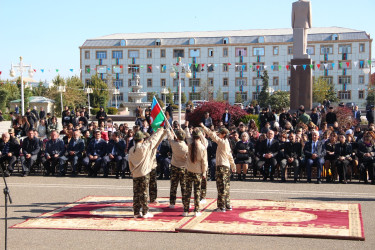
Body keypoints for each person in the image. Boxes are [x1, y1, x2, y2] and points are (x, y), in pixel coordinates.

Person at [128, 128, 166, 218]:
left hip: (135, 173)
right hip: (144, 173)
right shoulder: (144, 147)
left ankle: (136, 212)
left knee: (136, 193)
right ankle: (145, 212)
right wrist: (160, 131)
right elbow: (153, 140)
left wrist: (132, 171)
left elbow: (130, 163)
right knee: (144, 193)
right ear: (142, 139)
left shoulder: (131, 149)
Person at [200, 123, 235, 212]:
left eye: (220, 133)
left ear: (223, 135)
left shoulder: (222, 142)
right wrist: (233, 165)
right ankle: (227, 204)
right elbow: (230, 156)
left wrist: (204, 127)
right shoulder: (227, 142)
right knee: (226, 187)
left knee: (221, 187)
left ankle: (221, 206)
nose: (218, 134)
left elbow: (212, 135)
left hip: (221, 167)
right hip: (226, 166)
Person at [182, 127, 208, 217]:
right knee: (197, 191)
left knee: (187, 191)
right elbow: (204, 162)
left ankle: (185, 210)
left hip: (189, 170)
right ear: (200, 137)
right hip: (198, 171)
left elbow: (187, 135)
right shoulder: (202, 147)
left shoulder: (189, 144)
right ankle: (196, 210)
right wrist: (204, 172)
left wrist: (186, 127)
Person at [167, 129, 188, 208]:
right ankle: (185, 202)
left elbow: (169, 137)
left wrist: (169, 130)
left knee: (173, 185)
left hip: (174, 166)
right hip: (183, 167)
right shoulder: (186, 147)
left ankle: (172, 203)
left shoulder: (174, 144)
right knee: (184, 186)